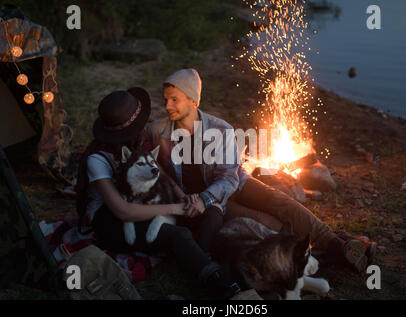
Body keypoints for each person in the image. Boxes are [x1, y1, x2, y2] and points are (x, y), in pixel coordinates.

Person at [145, 69, 376, 274]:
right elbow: (149, 162)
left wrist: (204, 199)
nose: (167, 106)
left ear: (193, 100)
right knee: (267, 225)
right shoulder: (158, 130)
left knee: (281, 201)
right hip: (213, 204)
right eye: (166, 100)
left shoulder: (220, 129)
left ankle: (338, 245)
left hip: (232, 185)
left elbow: (228, 178)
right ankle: (333, 251)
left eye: (174, 100)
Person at [77, 87, 243, 299]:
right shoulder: (97, 159)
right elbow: (123, 210)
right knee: (178, 234)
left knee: (211, 210)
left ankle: (201, 259)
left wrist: (183, 197)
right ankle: (217, 280)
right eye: (138, 127)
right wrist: (176, 207)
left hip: (145, 202)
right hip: (111, 220)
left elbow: (160, 172)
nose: (144, 128)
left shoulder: (137, 143)